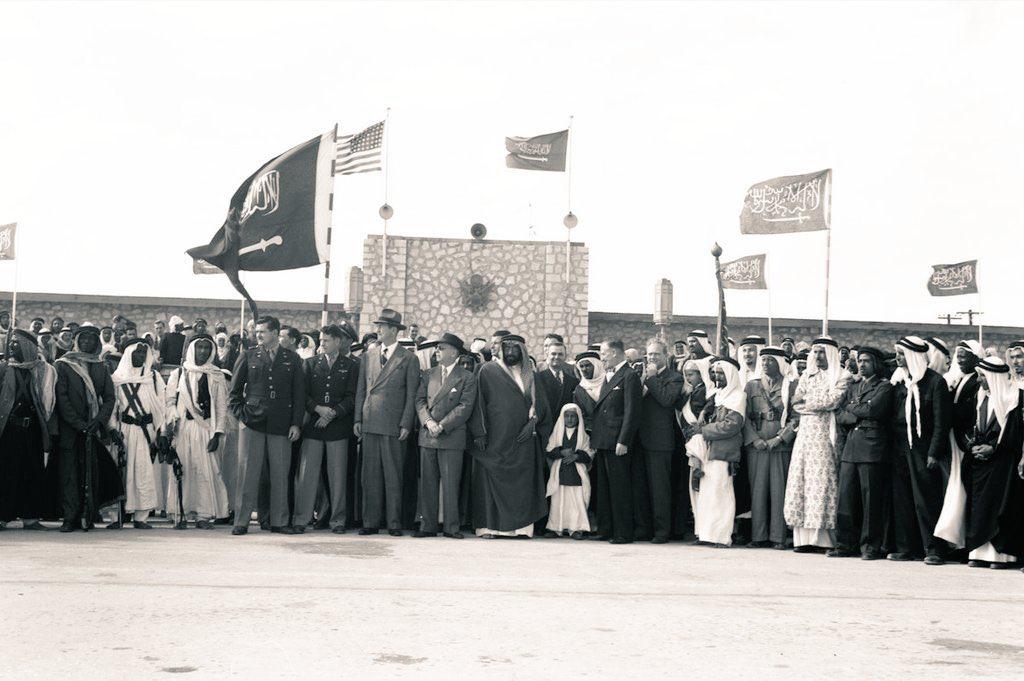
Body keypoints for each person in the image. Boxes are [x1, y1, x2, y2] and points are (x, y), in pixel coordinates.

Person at [229, 315, 305, 536]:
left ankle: (279, 521)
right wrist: (242, 415)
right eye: (257, 331)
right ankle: (241, 521)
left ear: (275, 333)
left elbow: (298, 395)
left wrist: (296, 424)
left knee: (280, 473)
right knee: (247, 473)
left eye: (263, 331)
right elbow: (234, 393)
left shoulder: (292, 359)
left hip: (281, 424)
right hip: (252, 422)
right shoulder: (248, 355)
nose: (258, 335)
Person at [469, 333, 547, 538]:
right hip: (493, 438)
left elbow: (540, 405)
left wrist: (532, 424)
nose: (511, 353)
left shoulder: (531, 375)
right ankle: (488, 528)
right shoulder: (487, 370)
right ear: (501, 350)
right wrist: (480, 432)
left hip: (522, 440)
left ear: (522, 351)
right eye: (508, 348)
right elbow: (478, 404)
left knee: (522, 485)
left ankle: (521, 529)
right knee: (488, 482)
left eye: (516, 349)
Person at [353, 308, 420, 536]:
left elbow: (412, 395)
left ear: (394, 330)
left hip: (393, 424)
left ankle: (393, 522)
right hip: (370, 420)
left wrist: (406, 423)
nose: (378, 330)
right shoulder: (369, 355)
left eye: (382, 326)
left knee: (393, 475)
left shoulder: (408, 358)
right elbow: (361, 389)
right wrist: (358, 418)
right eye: (378, 326)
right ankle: (370, 522)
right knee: (369, 475)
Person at [888, 336, 953, 564]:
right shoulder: (899, 380)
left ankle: (934, 549)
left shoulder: (935, 382)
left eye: (902, 354)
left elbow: (941, 422)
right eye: (897, 353)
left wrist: (934, 452)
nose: (897, 358)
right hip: (900, 448)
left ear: (914, 356)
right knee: (902, 499)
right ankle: (907, 548)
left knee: (926, 500)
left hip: (923, 449)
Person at [784, 337, 851, 552]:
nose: (817, 356)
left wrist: (809, 403)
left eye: (822, 352)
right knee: (801, 482)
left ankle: (824, 539)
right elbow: (795, 401)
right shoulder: (807, 375)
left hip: (826, 434)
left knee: (822, 482)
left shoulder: (842, 376)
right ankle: (803, 539)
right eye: (815, 352)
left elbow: (833, 400)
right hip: (805, 434)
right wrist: (814, 403)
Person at [54, 326, 122, 531]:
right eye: (84, 339)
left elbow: (109, 397)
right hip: (70, 428)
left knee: (90, 471)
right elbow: (62, 397)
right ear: (77, 341)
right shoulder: (64, 364)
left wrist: (99, 421)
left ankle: (88, 514)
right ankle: (69, 517)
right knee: (69, 473)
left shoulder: (100, 366)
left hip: (93, 427)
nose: (88, 343)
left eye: (92, 339)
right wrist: (78, 423)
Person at [293, 323, 359, 534]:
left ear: (338, 342)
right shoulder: (310, 364)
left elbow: (352, 397)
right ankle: (301, 519)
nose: (322, 344)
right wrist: (318, 409)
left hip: (338, 428)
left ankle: (338, 521)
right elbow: (303, 395)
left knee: (337, 476)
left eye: (326, 340)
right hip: (314, 427)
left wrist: (332, 413)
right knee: (307, 475)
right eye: (321, 341)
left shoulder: (350, 366)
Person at [832, 347, 893, 559]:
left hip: (872, 448)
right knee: (846, 498)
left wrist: (854, 408)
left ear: (876, 363)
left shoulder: (884, 387)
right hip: (852, 446)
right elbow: (839, 412)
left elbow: (873, 411)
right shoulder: (855, 386)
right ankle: (845, 544)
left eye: (866, 361)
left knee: (871, 500)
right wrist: (856, 410)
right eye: (859, 361)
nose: (862, 364)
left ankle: (870, 546)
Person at [164, 335, 231, 529]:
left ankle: (204, 515)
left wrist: (218, 433)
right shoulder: (179, 373)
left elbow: (221, 407)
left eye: (206, 348)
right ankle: (181, 513)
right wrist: (173, 418)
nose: (203, 351)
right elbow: (169, 401)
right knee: (182, 469)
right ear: (193, 349)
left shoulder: (216, 375)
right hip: (183, 428)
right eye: (199, 347)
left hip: (206, 429)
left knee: (206, 471)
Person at [414, 332, 476, 539]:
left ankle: (451, 527)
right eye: (437, 348)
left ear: (454, 352)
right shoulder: (428, 374)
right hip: (428, 435)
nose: (437, 351)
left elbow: (465, 406)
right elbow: (420, 401)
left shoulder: (467, 377)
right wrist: (429, 421)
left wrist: (442, 425)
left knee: (451, 483)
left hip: (451, 436)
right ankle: (428, 525)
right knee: (428, 483)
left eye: (441, 348)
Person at [963, 357, 1024, 568]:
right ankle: (979, 553)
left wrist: (994, 448)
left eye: (982, 376)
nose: (979, 380)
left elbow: (1014, 432)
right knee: (980, 508)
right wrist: (973, 447)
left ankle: (1002, 556)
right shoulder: (981, 397)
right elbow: (975, 427)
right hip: (981, 463)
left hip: (1003, 463)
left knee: (1000, 508)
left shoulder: (1013, 397)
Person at [0, 329, 57, 530]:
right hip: (9, 430)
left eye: (16, 343)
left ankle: (30, 517)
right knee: (7, 473)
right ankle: (2, 516)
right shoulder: (4, 369)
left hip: (32, 429)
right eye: (11, 343)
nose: (12, 346)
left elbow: (48, 402)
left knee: (32, 472)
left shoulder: (42, 370)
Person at [743, 347, 799, 549]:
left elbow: (796, 417)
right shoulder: (752, 386)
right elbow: (744, 416)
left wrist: (781, 438)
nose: (766, 364)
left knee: (779, 491)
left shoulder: (792, 386)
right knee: (757, 492)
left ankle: (778, 537)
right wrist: (753, 439)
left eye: (770, 360)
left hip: (780, 446)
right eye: (763, 360)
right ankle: (758, 536)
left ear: (780, 363)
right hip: (757, 445)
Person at [686, 357, 745, 547]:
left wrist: (703, 430)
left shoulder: (737, 397)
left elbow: (731, 426)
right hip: (708, 451)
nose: (717, 376)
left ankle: (721, 537)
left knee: (721, 493)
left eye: (721, 373)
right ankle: (705, 535)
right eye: (715, 373)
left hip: (723, 452)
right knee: (706, 494)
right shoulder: (716, 396)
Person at [109, 339, 167, 529]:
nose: (140, 356)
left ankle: (141, 517)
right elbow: (112, 408)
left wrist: (161, 432)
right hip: (124, 431)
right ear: (128, 354)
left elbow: (161, 406)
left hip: (145, 432)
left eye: (144, 353)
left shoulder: (153, 378)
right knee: (121, 473)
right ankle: (117, 517)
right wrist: (112, 429)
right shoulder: (116, 378)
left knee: (143, 472)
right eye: (137, 352)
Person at [588, 339, 641, 544]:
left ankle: (623, 532)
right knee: (604, 488)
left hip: (616, 441)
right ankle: (606, 528)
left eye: (604, 353)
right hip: (603, 440)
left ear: (616, 353)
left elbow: (631, 412)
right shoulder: (609, 376)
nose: (602, 357)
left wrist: (624, 440)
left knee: (619, 488)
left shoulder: (629, 376)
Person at [935, 340, 983, 549]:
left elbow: (970, 412)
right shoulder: (959, 379)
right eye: (959, 356)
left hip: (964, 441)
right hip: (954, 440)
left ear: (975, 358)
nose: (960, 360)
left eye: (965, 356)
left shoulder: (977, 381)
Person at [637, 340, 684, 543]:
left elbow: (666, 400)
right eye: (649, 354)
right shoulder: (642, 376)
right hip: (639, 439)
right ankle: (643, 528)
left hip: (660, 441)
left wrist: (652, 378)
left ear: (666, 355)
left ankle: (662, 531)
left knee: (660, 489)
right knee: (641, 487)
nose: (652, 358)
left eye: (656, 354)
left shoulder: (674, 378)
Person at [545, 403, 594, 539]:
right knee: (558, 502)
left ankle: (576, 529)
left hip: (576, 475)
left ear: (578, 418)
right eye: (567, 416)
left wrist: (576, 456)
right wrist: (561, 452)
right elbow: (549, 450)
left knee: (576, 502)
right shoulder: (556, 433)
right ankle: (556, 528)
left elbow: (589, 453)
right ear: (562, 417)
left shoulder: (583, 435)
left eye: (573, 416)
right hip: (560, 474)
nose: (570, 419)